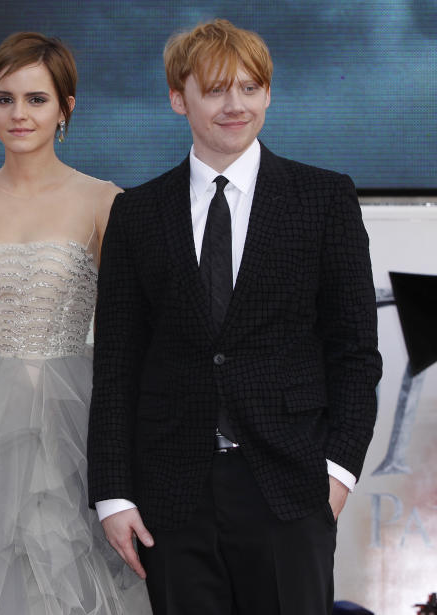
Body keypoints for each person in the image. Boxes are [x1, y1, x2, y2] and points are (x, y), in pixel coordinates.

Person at [88, 19, 382, 615]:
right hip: (172, 493)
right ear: (179, 98)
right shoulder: (137, 213)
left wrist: (338, 472)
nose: (235, 105)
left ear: (268, 94)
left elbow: (355, 351)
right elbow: (118, 362)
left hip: (290, 484)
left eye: (250, 88)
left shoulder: (324, 199)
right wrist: (113, 495)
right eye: (217, 89)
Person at [0, 32, 144, 615]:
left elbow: (126, 330)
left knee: (64, 569)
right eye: (4, 98)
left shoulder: (104, 201)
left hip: (71, 416)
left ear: (66, 107)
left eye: (37, 99)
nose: (19, 114)